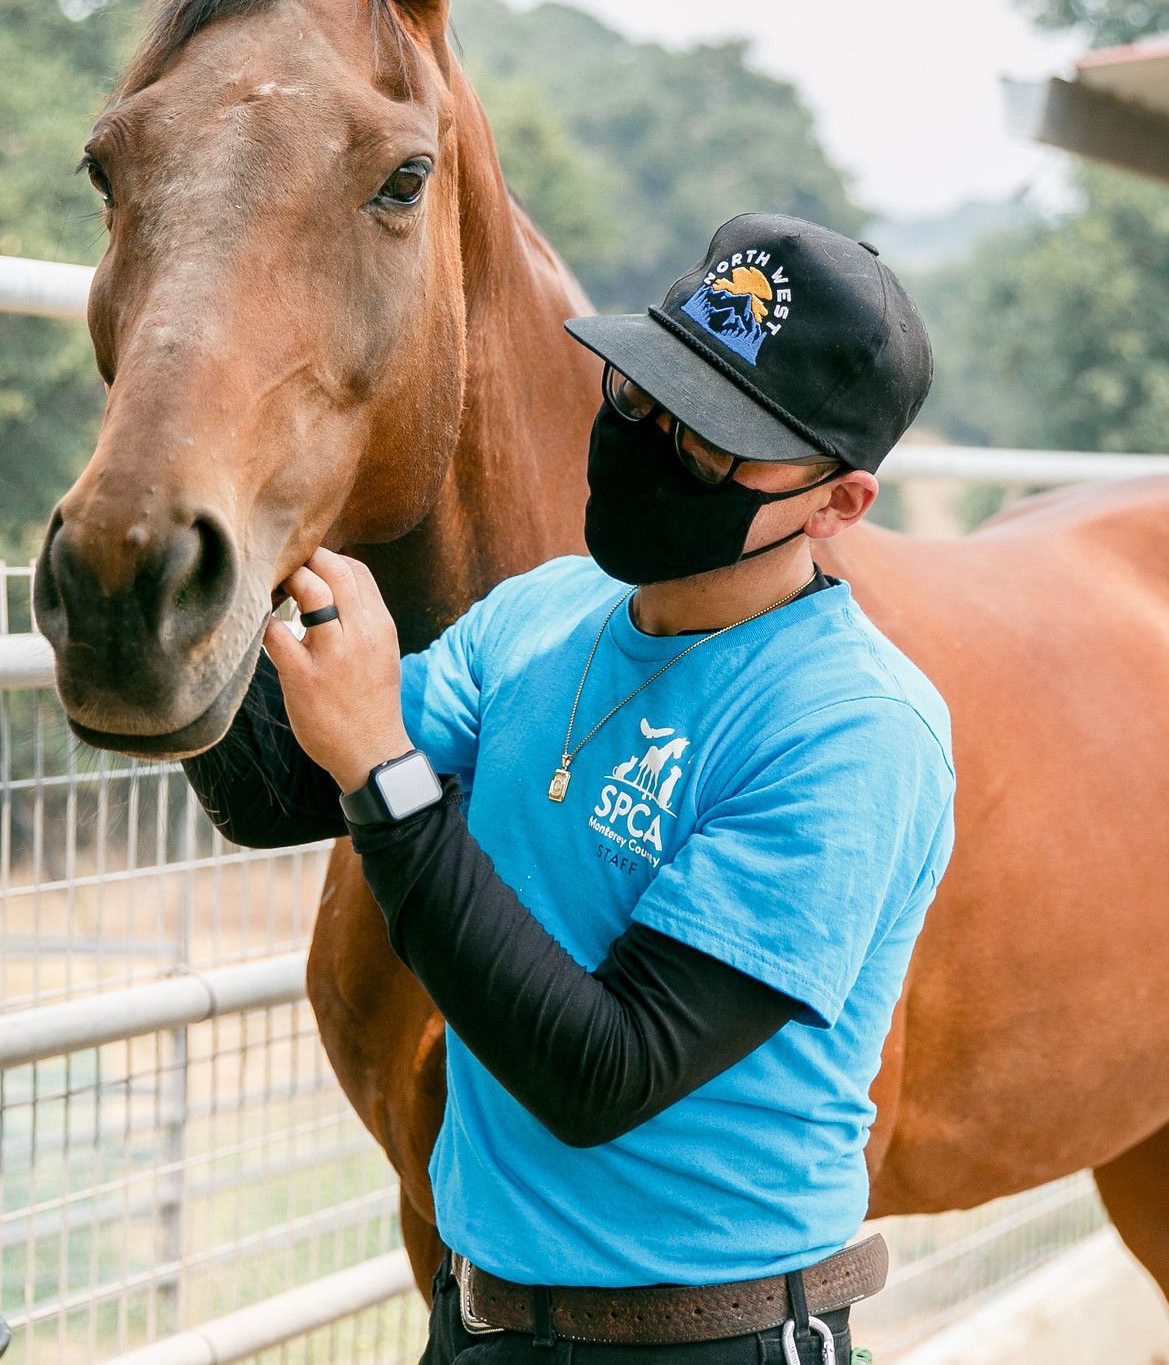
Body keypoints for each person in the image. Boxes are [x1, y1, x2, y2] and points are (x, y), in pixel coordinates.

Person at [183, 213, 955, 1364]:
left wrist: (387, 780)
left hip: (708, 1339)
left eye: (711, 441)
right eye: (643, 396)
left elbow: (604, 1070)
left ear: (836, 504)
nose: (648, 443)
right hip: (482, 1317)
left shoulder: (848, 729)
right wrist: (171, 594)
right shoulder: (541, 615)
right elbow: (280, 786)